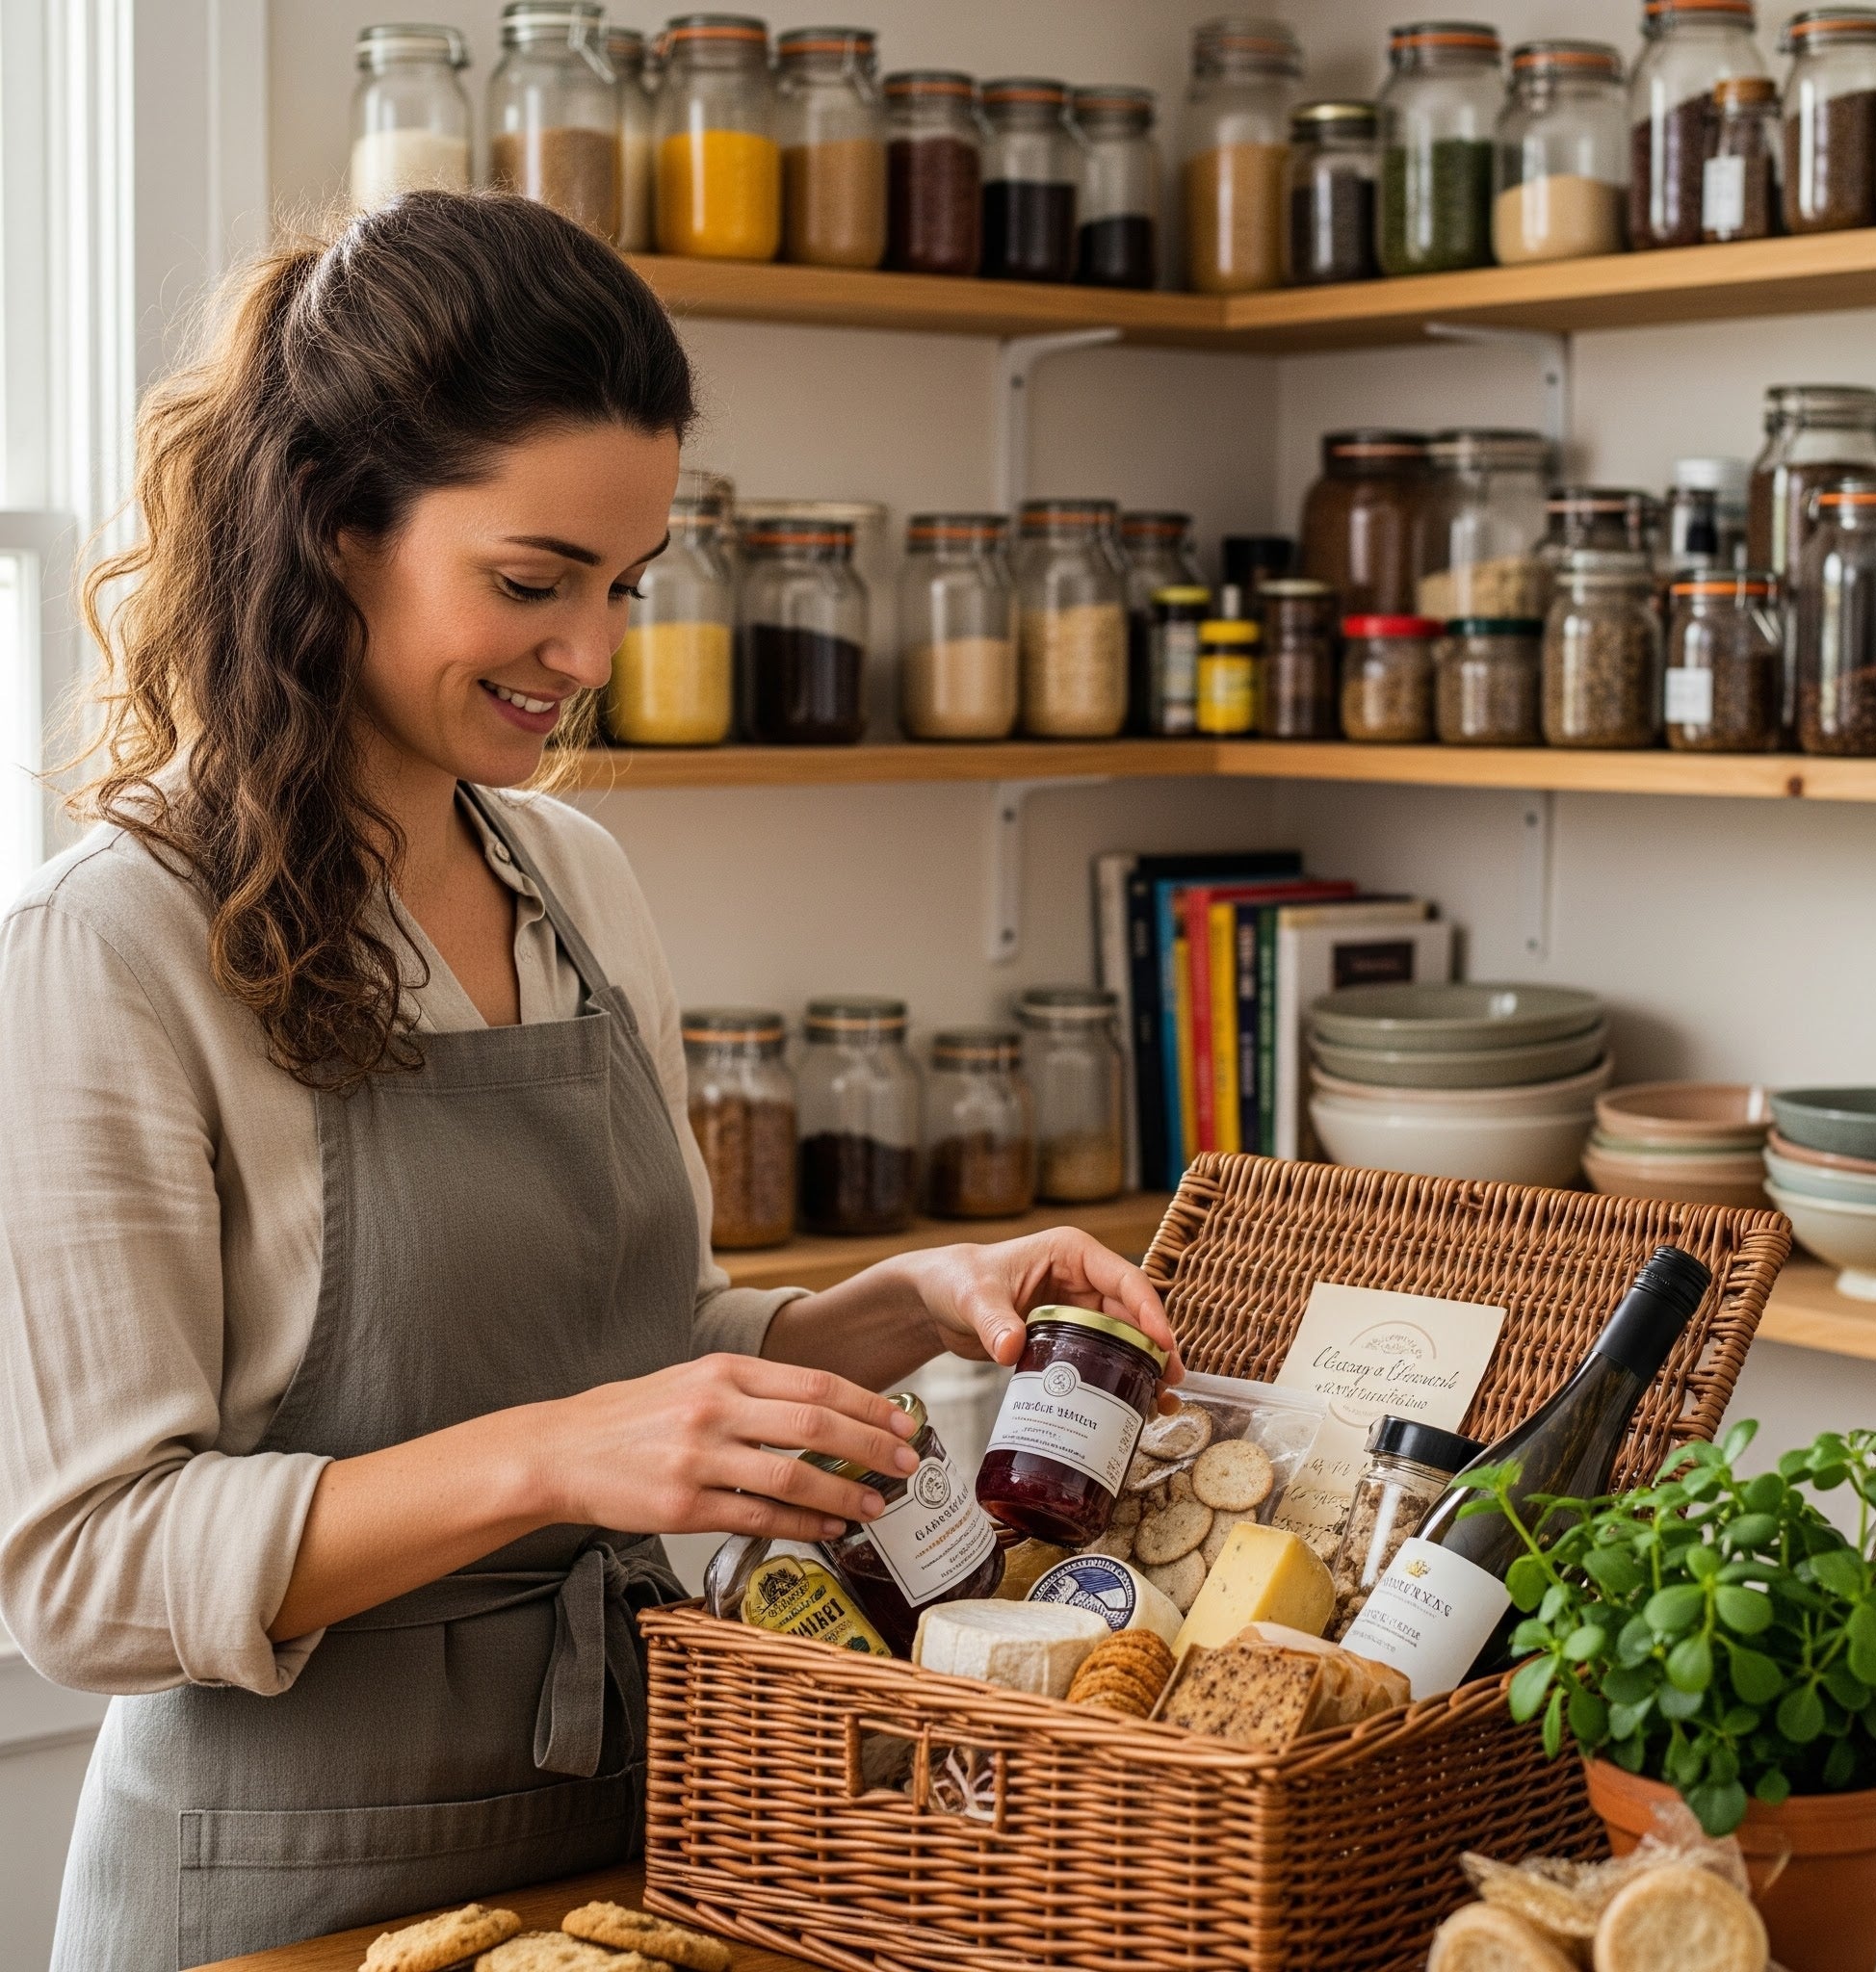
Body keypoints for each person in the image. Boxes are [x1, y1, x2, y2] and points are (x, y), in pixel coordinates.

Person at [0, 191, 1178, 1969]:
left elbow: (654, 1344)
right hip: (275, 1887)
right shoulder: (117, 940)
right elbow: (85, 1574)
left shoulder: (574, 878)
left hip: (647, 1833)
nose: (593, 656)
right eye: (532, 583)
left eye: (629, 587)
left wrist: (907, 1305)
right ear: (331, 532)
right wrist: (557, 1457)